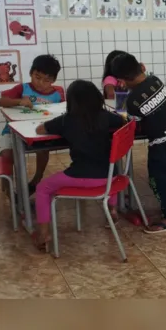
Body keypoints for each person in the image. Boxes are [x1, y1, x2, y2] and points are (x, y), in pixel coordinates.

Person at [30, 80, 126, 250]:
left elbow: (40, 130)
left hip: (80, 176)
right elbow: (123, 121)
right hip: (111, 177)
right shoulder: (105, 116)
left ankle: (43, 234)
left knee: (43, 188)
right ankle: (112, 211)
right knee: (108, 171)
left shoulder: (66, 120)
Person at [111, 52, 166, 234]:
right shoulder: (155, 81)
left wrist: (122, 95)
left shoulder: (132, 100)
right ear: (140, 67)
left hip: (161, 144)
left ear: (123, 79)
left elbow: (131, 124)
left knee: (157, 179)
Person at [0, 55, 64, 195]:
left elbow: (63, 110)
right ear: (31, 73)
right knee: (7, 155)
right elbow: (1, 101)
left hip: (39, 131)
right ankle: (8, 188)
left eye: (47, 80)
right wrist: (19, 101)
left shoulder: (57, 94)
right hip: (13, 131)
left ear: (53, 80)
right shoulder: (23, 88)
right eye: (37, 77)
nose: (40, 83)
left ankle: (36, 180)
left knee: (43, 150)